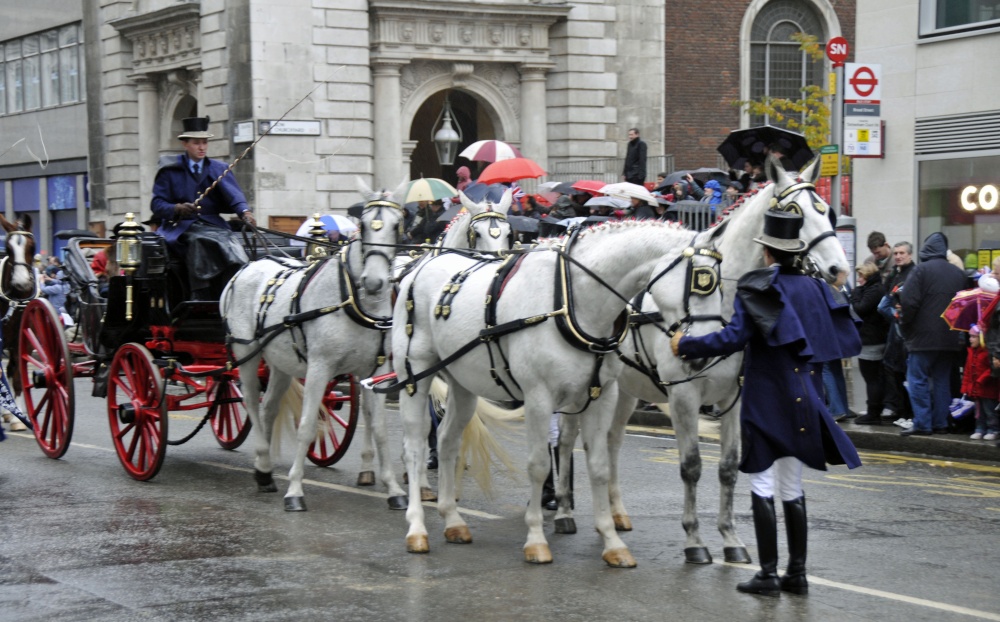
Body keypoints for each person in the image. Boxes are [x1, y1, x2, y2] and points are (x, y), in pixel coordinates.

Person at [672, 210, 861, 597]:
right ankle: (797, 574)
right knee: (792, 486)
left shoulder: (759, 287)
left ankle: (768, 574)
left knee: (762, 482)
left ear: (768, 253)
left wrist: (685, 344)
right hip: (809, 397)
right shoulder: (817, 289)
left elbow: (731, 338)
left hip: (767, 397)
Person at [150, 116, 255, 300]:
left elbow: (234, 196)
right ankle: (200, 291)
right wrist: (177, 209)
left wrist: (244, 212)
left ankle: (234, 287)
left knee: (231, 242)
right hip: (181, 226)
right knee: (199, 241)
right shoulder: (170, 170)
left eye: (205, 142)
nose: (202, 147)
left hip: (213, 224)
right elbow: (157, 204)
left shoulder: (219, 168)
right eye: (196, 143)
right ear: (185, 144)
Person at [898, 232, 967, 436]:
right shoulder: (958, 274)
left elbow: (909, 303)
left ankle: (923, 423)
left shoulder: (920, 271)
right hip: (950, 337)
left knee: (917, 379)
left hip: (922, 338)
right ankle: (940, 423)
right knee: (942, 381)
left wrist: (904, 324)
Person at [881, 242, 915, 423]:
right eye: (896, 253)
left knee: (907, 373)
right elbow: (887, 296)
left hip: (905, 329)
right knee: (895, 371)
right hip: (895, 329)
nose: (898, 256)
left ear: (910, 255)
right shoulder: (896, 273)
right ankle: (902, 411)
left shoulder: (913, 273)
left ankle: (909, 413)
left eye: (902, 253)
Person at [851, 262, 890, 425]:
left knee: (871, 378)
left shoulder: (874, 290)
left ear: (867, 276)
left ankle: (873, 413)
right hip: (873, 338)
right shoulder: (875, 288)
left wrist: (855, 293)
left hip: (871, 340)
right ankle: (875, 410)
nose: (859, 280)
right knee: (874, 378)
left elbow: (860, 308)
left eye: (861, 276)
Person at [966, 276, 1000, 440]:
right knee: (978, 411)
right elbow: (967, 371)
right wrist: (966, 386)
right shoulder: (971, 352)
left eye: (973, 338)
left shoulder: (986, 352)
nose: (970, 340)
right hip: (977, 388)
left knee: (989, 409)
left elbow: (988, 369)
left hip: (986, 387)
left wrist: (981, 380)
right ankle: (980, 428)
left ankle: (993, 429)